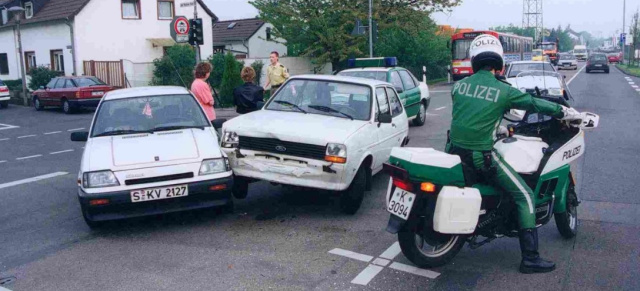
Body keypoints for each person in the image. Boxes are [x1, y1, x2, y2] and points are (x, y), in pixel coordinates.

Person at [447, 34, 583, 274]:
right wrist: (563, 112)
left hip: (453, 153)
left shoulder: (458, 86)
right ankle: (530, 258)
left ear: (473, 60)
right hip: (480, 157)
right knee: (525, 196)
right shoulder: (503, 90)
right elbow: (534, 104)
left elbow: (470, 115)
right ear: (498, 61)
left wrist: (494, 126)